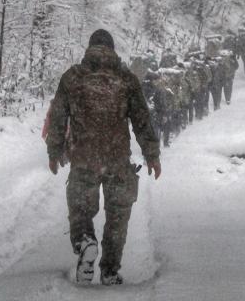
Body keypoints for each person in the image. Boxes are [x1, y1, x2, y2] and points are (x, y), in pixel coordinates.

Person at [45, 29, 161, 286]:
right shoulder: (127, 79)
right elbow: (142, 120)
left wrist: (54, 152)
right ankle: (109, 270)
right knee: (118, 215)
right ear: (112, 49)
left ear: (89, 49)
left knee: (80, 208)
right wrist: (152, 155)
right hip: (117, 159)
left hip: (84, 158)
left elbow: (57, 119)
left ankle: (85, 241)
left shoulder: (72, 78)